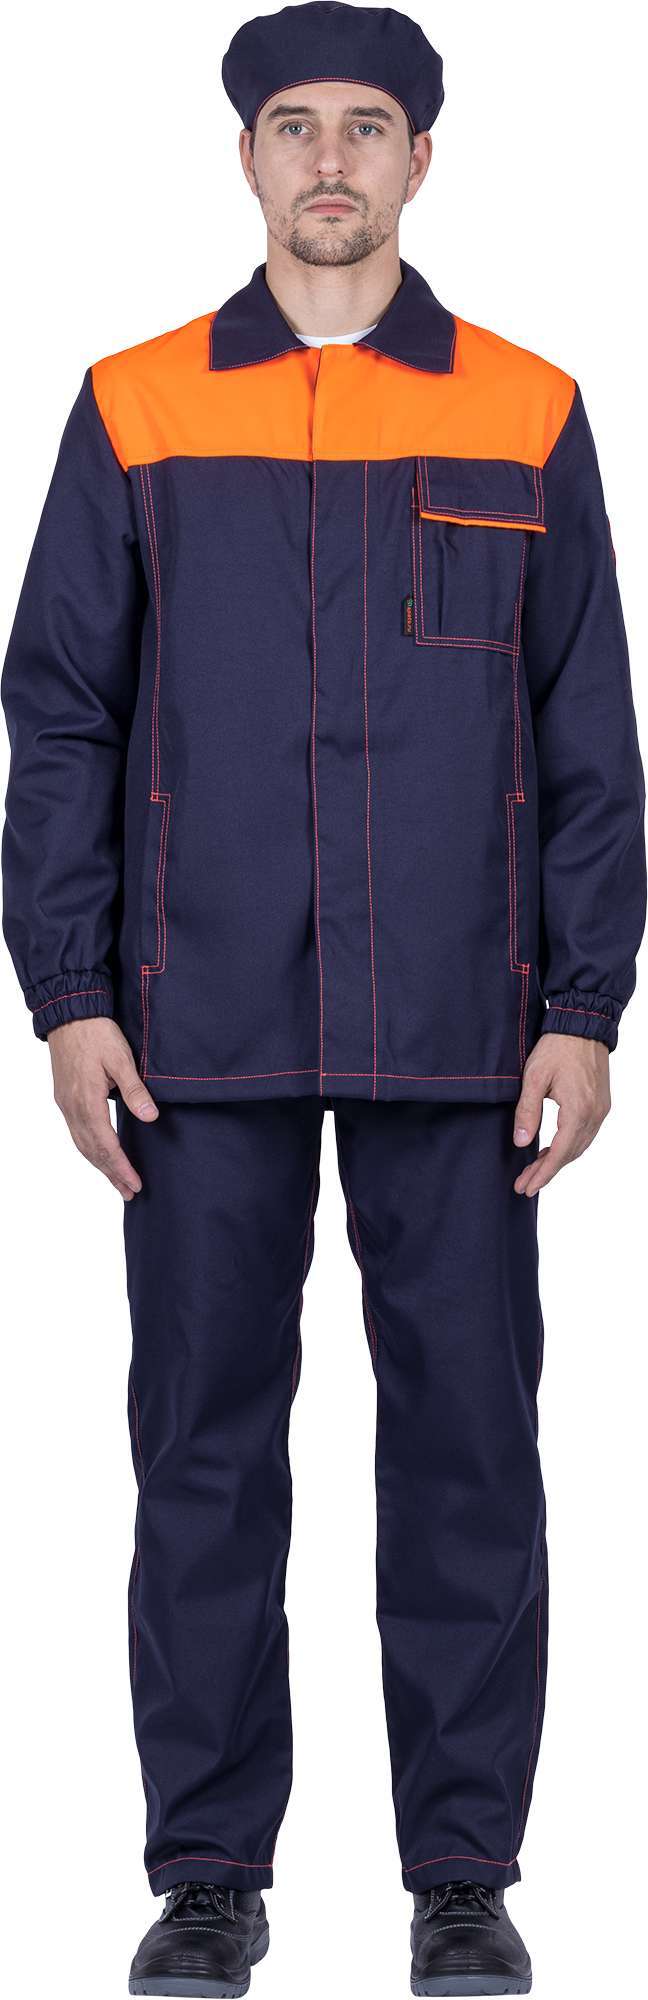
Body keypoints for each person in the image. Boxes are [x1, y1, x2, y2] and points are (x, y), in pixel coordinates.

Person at [1, 3, 645, 1994]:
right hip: (191, 1020)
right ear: (249, 158)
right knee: (202, 1453)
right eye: (298, 126)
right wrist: (69, 993)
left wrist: (586, 1003)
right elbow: (63, 715)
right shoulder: (135, 406)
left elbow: (590, 734)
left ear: (423, 160)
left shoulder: (527, 406)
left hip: (468, 1020)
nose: (334, 160)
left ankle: (463, 1871)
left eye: (371, 126)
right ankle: (209, 1871)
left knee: (470, 1455)